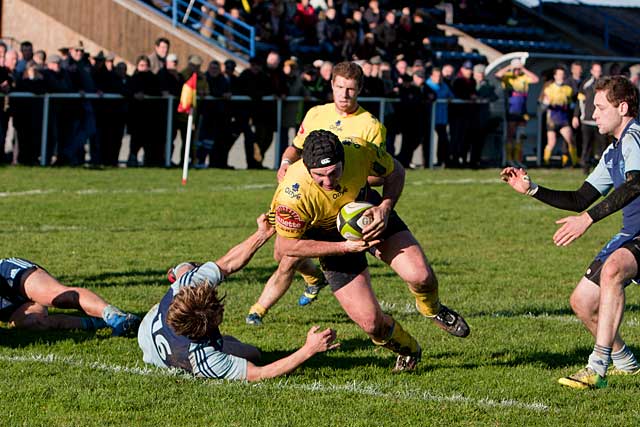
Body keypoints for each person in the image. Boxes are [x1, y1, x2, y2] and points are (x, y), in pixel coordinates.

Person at [267, 129, 469, 371]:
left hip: (369, 214)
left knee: (421, 276)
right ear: (307, 167)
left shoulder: (358, 151)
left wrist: (384, 207)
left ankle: (432, 310)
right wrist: (344, 247)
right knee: (372, 324)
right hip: (331, 241)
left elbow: (396, 172)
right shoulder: (292, 194)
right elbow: (284, 247)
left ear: (344, 159)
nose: (329, 182)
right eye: (320, 176)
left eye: (334, 172)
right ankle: (408, 349)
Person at [500, 75, 640, 389]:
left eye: (601, 107)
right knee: (582, 302)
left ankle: (597, 367)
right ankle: (626, 362)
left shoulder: (636, 137)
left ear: (624, 107)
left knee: (614, 269)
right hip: (633, 233)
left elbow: (636, 183)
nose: (593, 114)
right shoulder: (613, 151)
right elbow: (580, 197)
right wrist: (532, 189)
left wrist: (588, 219)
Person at [246, 61, 386, 325]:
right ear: (332, 85)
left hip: (342, 205)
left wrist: (343, 174)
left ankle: (258, 309)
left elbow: (378, 175)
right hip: (306, 198)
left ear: (360, 90)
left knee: (288, 258)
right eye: (340, 87)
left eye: (351, 89)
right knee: (282, 253)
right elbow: (295, 148)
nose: (345, 94)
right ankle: (313, 277)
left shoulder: (370, 126)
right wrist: (287, 164)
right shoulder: (316, 114)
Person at [137, 214, 339, 381]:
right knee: (253, 354)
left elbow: (227, 264)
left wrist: (261, 234)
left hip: (147, 329)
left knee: (189, 272)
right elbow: (259, 373)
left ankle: (181, 269)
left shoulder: (186, 288)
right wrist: (308, 349)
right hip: (156, 353)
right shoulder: (203, 358)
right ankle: (183, 269)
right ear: (207, 329)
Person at [0, 257, 139, 335]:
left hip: (11, 276)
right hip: (13, 306)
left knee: (58, 296)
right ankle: (100, 323)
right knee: (34, 323)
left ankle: (115, 316)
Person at [495, 58, 539, 166]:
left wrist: (523, 69)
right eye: (516, 69)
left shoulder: (523, 77)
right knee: (511, 135)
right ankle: (509, 159)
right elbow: (497, 75)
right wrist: (510, 67)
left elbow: (535, 79)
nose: (517, 71)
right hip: (511, 110)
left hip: (523, 110)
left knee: (520, 136)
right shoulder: (508, 77)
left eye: (518, 69)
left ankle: (518, 159)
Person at [574, 63, 607, 174]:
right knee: (586, 145)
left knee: (602, 146)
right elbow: (579, 102)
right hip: (587, 120)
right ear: (592, 71)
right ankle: (585, 167)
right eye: (596, 70)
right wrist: (575, 116)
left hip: (601, 121)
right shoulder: (586, 84)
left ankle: (603, 168)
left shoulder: (606, 85)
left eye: (599, 71)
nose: (598, 73)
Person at [541, 67, 577, 167]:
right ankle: (545, 162)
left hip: (563, 119)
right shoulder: (549, 89)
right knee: (551, 142)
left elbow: (571, 103)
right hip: (552, 119)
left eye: (563, 74)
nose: (561, 76)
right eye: (559, 74)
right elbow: (543, 105)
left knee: (570, 140)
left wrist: (571, 105)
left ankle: (574, 163)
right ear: (555, 76)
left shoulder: (568, 89)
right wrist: (545, 103)